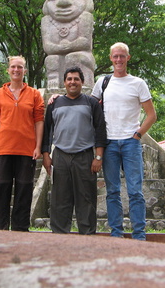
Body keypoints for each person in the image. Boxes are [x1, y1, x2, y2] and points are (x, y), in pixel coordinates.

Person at [91, 42, 157, 240]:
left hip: (130, 143)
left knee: (135, 191)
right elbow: (90, 107)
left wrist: (137, 135)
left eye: (122, 56)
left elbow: (151, 115)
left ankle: (139, 235)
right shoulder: (102, 82)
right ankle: (116, 233)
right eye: (115, 56)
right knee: (112, 191)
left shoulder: (138, 83)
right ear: (110, 59)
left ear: (128, 58)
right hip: (109, 143)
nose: (118, 60)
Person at [42, 66, 107, 234]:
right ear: (64, 82)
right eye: (69, 79)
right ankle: (60, 235)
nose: (72, 82)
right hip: (61, 156)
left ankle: (87, 236)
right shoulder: (54, 103)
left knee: (86, 199)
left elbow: (100, 129)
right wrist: (46, 155)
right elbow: (47, 130)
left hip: (84, 156)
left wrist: (98, 157)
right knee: (59, 199)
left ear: (82, 82)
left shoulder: (91, 103)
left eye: (76, 79)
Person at [0, 56, 44, 232]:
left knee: (24, 189)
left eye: (20, 67)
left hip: (27, 150)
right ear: (8, 70)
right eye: (13, 67)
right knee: (2, 187)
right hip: (3, 148)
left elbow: (39, 121)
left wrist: (38, 146)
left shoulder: (34, 94)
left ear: (24, 71)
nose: (16, 70)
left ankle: (20, 227)